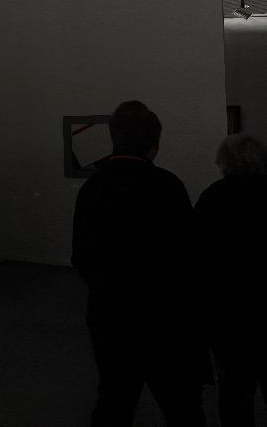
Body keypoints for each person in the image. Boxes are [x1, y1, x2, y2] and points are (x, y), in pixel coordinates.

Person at [72, 100, 207, 426]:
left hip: (110, 313)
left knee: (114, 400)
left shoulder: (92, 188)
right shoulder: (168, 186)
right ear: (153, 144)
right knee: (182, 404)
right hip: (164, 316)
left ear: (114, 138)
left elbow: (81, 256)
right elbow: (188, 256)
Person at [194, 134, 267, 426]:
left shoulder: (213, 198)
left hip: (229, 313)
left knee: (236, 392)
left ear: (225, 161)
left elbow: (197, 258)